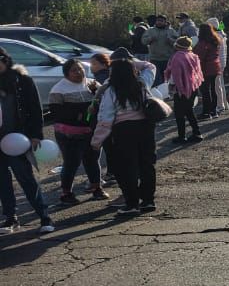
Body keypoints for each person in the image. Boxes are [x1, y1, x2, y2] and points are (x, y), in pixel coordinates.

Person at [91, 52, 158, 216]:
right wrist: (132, 62)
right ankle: (148, 200)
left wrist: (97, 140)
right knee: (147, 165)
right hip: (145, 127)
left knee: (126, 168)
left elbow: (105, 118)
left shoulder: (111, 90)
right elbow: (150, 66)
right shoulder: (142, 84)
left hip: (123, 131)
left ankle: (132, 202)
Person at [0, 47, 56, 233]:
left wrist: (35, 135)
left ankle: (44, 216)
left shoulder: (21, 80)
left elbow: (35, 109)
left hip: (18, 139)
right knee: (2, 181)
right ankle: (10, 218)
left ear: (4, 60)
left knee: (26, 178)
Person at [48, 59, 110, 206]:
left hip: (91, 131)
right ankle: (66, 193)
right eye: (74, 70)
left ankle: (96, 188)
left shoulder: (93, 84)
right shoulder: (58, 89)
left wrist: (96, 96)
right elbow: (56, 113)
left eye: (80, 69)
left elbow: (105, 102)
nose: (79, 72)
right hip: (69, 133)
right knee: (71, 162)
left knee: (92, 159)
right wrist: (80, 114)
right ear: (66, 73)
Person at [165, 36, 205, 143]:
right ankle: (197, 133)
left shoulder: (177, 57)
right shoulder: (193, 56)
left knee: (179, 113)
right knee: (189, 111)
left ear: (177, 46)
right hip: (192, 87)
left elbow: (175, 76)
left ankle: (182, 136)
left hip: (181, 89)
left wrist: (171, 87)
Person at [195, 24, 222, 119]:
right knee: (213, 89)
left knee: (205, 91)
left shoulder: (203, 43)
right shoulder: (215, 40)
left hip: (206, 68)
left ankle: (206, 112)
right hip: (215, 67)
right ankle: (213, 111)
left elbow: (200, 57)